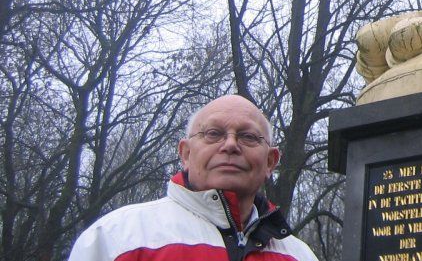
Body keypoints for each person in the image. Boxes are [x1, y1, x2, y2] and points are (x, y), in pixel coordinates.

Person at [68, 95, 319, 261]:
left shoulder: (299, 256)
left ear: (270, 161)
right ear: (185, 154)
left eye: (248, 137)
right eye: (213, 133)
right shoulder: (117, 238)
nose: (230, 145)